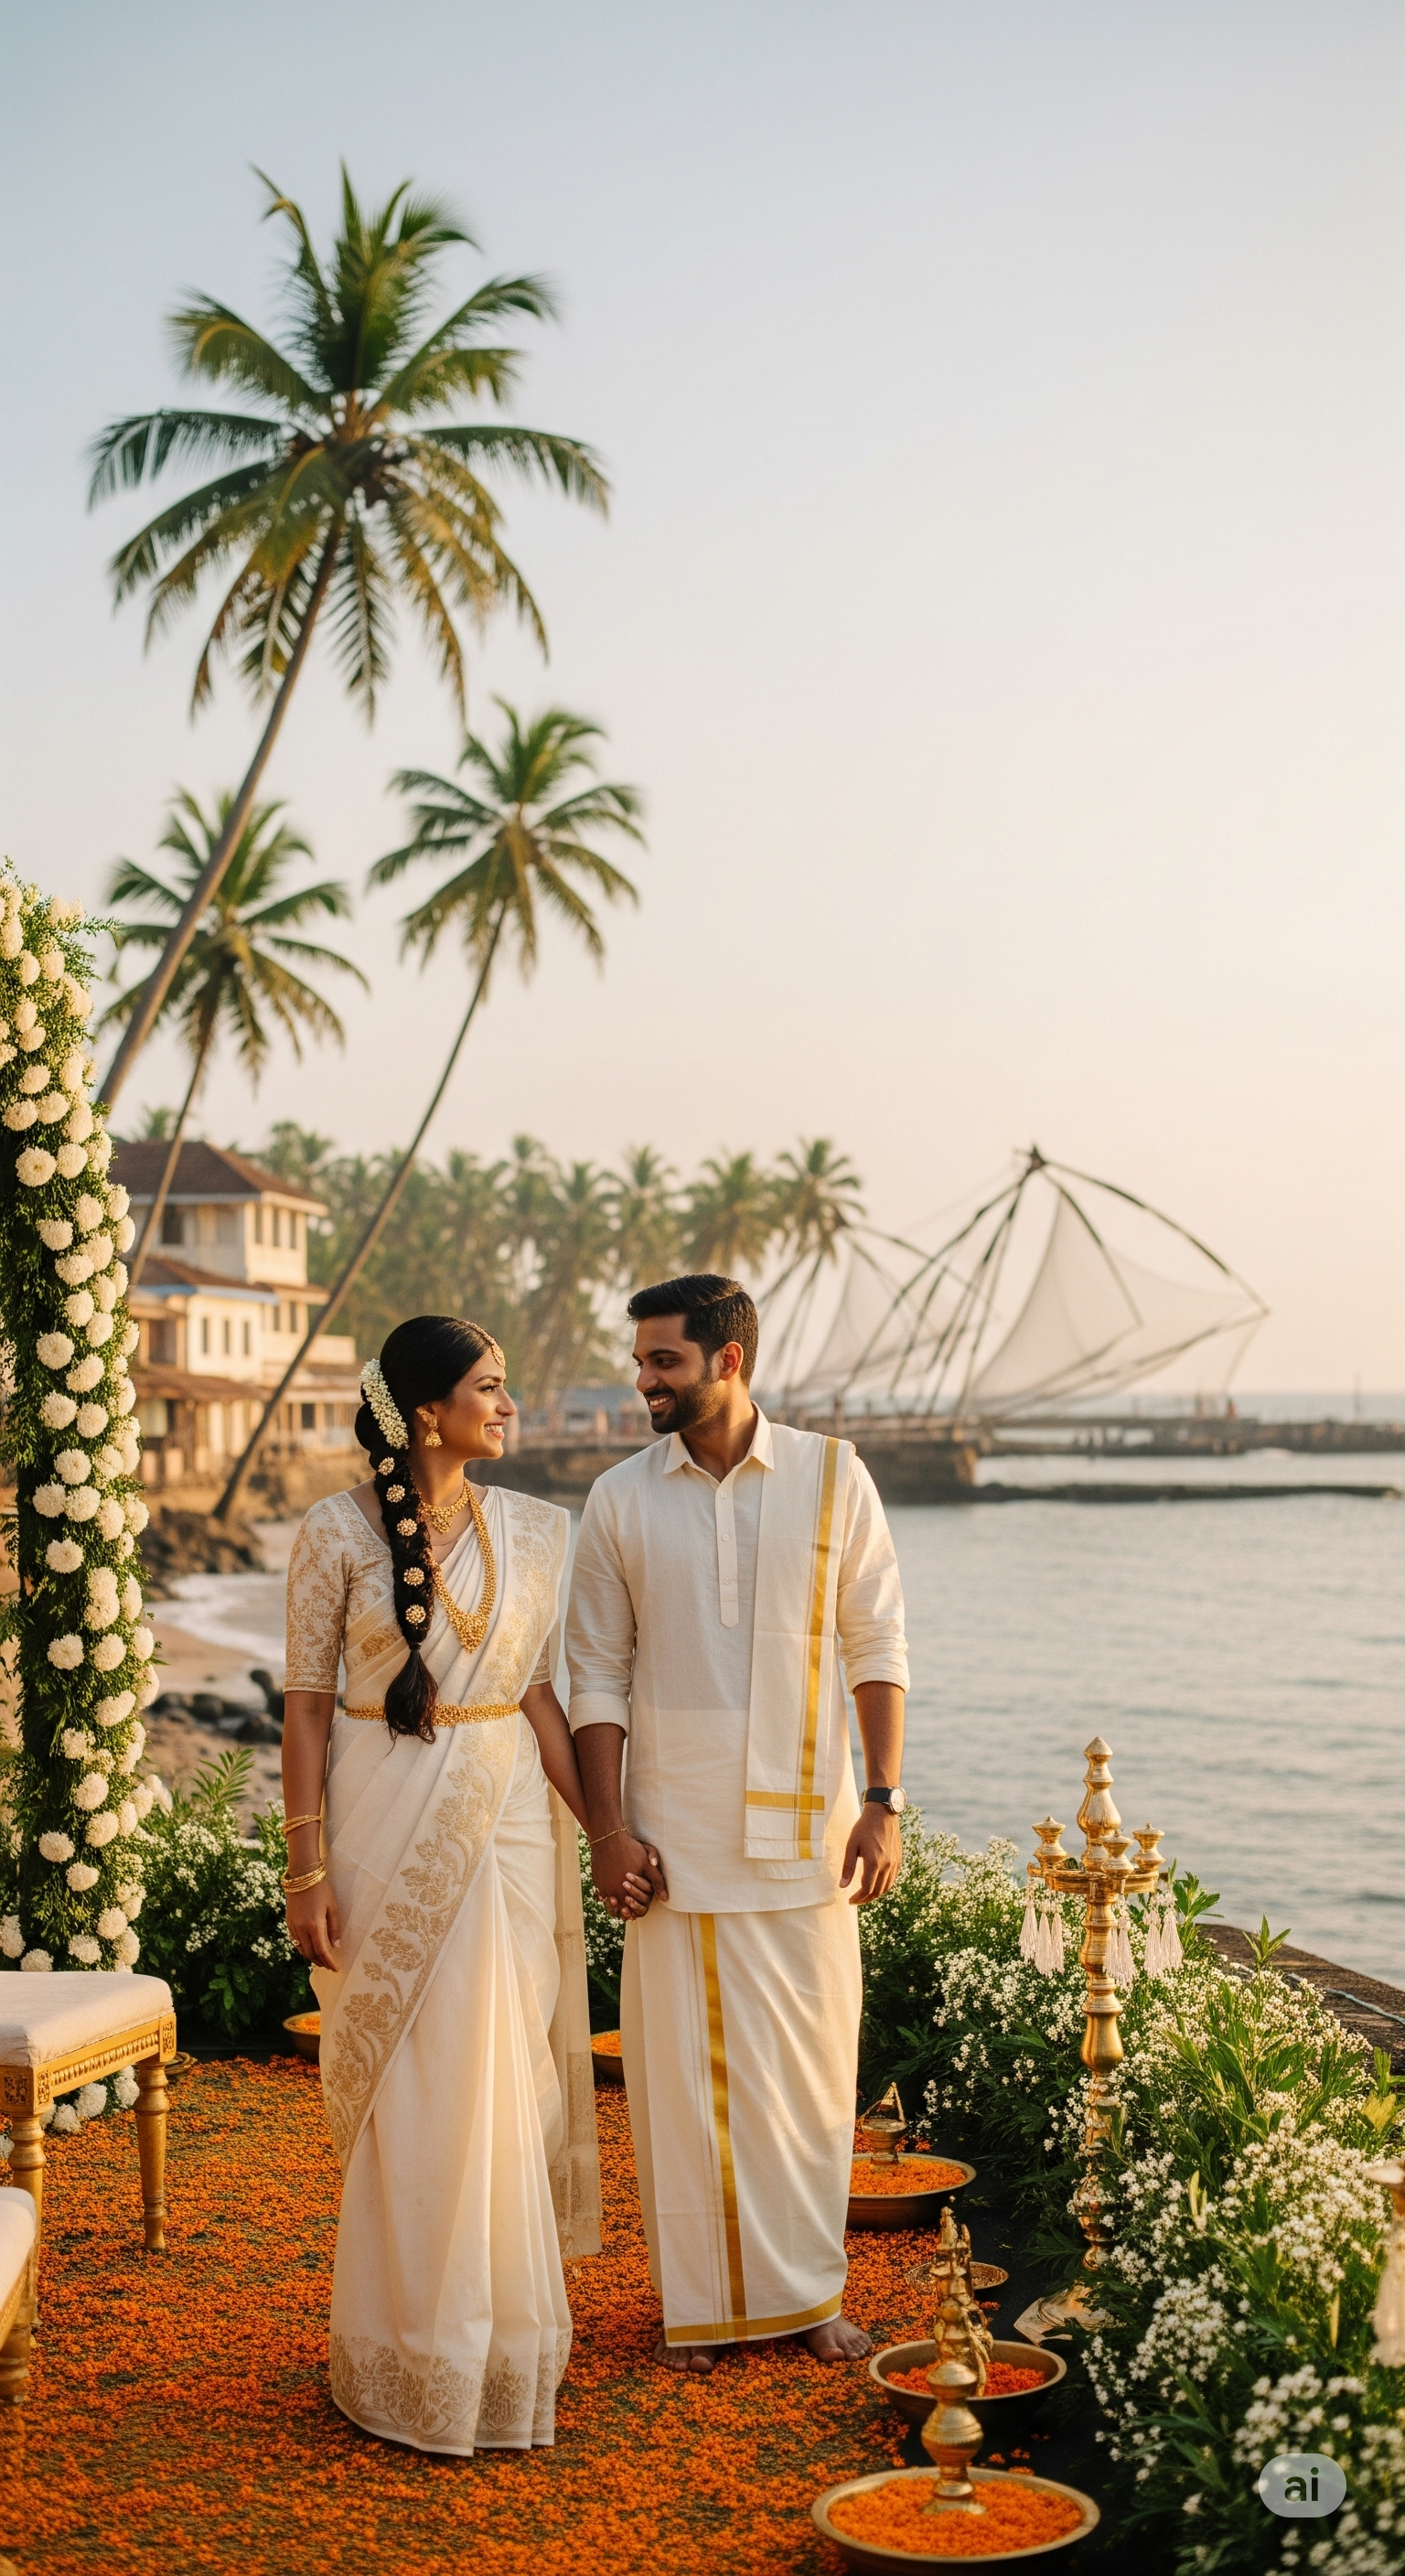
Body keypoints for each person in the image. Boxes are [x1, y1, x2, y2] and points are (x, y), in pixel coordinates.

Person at [281, 1315, 652, 2453]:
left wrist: (605, 1830)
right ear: (426, 1410)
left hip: (508, 1833)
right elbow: (301, 1706)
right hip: (382, 1822)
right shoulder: (333, 1533)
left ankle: (500, 2345)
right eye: (490, 1389)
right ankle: (411, 2347)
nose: (510, 1407)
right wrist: (302, 1867)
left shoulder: (537, 1532)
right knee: (420, 2082)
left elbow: (540, 1699)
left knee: (504, 2074)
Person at [564, 1274, 909, 2374]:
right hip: (671, 1841)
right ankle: (703, 2308)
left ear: (729, 1357)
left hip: (808, 1837)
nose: (643, 1379)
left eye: (663, 1359)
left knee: (808, 2079)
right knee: (678, 2089)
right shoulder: (620, 1495)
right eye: (641, 1359)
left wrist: (885, 1799)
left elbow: (877, 1643)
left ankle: (808, 2298)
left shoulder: (829, 1474)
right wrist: (609, 1832)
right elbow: (594, 1675)